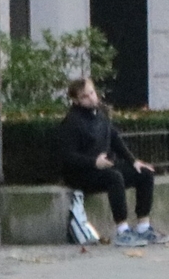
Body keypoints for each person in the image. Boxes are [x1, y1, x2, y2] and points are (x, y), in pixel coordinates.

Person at [55, 75, 160, 245]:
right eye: (85, 97)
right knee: (114, 178)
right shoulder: (71, 123)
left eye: (92, 93)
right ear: (75, 100)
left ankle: (143, 226)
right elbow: (67, 157)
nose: (91, 98)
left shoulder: (100, 113)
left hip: (103, 167)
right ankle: (122, 230)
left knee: (145, 173)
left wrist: (133, 161)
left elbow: (115, 138)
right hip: (82, 173)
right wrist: (93, 162)